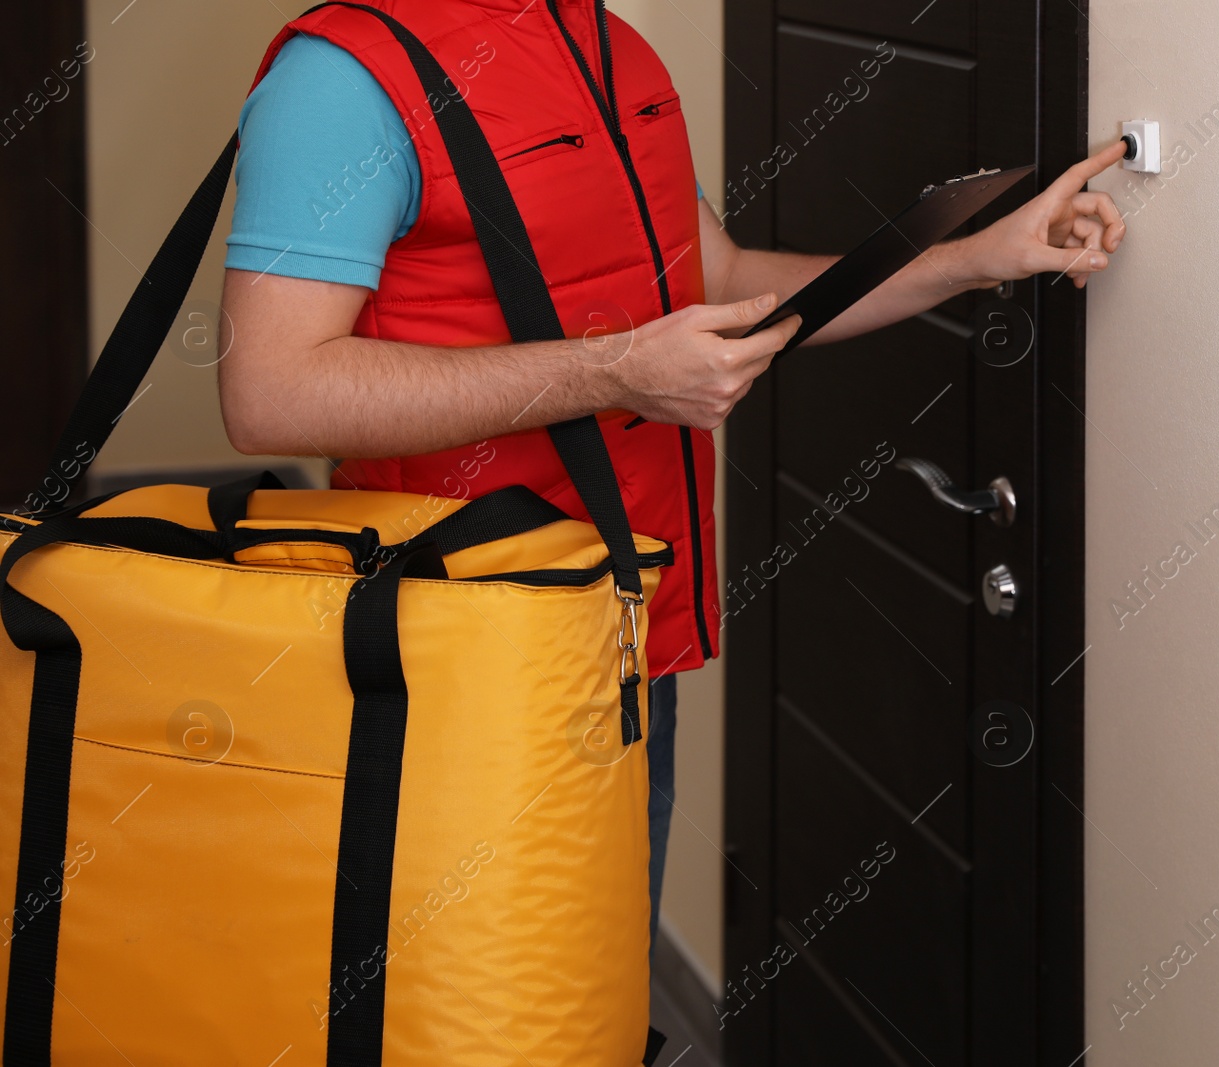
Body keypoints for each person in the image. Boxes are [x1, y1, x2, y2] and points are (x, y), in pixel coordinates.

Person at [218, 0, 1126, 959]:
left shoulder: (614, 52)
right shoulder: (343, 79)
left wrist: (969, 262)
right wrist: (610, 372)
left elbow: (722, 280)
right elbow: (271, 392)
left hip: (629, 633)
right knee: (463, 1007)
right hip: (459, 654)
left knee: (598, 1003)